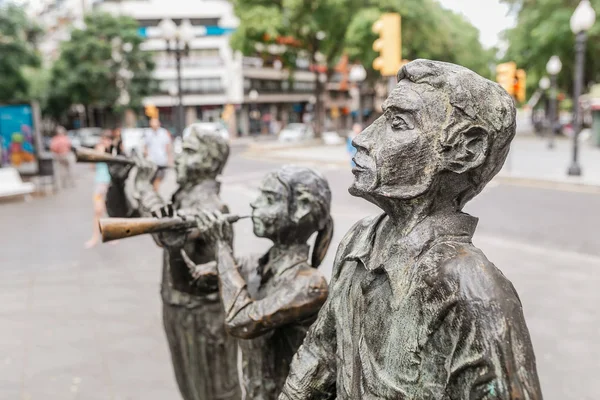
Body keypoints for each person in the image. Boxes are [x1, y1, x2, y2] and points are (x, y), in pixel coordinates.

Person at [279, 60, 543, 399]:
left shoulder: (475, 290)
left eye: (398, 123)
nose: (362, 139)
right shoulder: (360, 240)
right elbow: (320, 354)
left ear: (466, 150)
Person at [105, 126, 240, 400]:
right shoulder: (183, 196)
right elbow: (125, 218)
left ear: (211, 163)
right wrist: (119, 184)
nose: (177, 158)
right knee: (190, 390)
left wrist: (143, 186)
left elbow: (166, 231)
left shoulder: (211, 204)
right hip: (178, 308)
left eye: (188, 152)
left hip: (203, 317)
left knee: (213, 392)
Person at [194, 165, 333, 400]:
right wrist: (177, 239)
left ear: (300, 210)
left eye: (269, 198)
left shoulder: (310, 285)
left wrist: (221, 247)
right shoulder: (254, 264)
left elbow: (240, 321)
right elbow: (194, 278)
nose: (254, 204)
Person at [85, 130, 113, 249]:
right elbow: (92, 167)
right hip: (100, 184)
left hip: (111, 184)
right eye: (104, 139)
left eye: (108, 139)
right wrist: (97, 154)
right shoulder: (99, 150)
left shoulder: (114, 151)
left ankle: (112, 235)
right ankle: (95, 236)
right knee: (97, 211)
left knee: (110, 211)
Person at [144, 118, 172, 191]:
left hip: (161, 159)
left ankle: (155, 190)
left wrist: (169, 158)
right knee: (151, 178)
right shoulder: (148, 133)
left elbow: (167, 146)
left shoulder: (164, 132)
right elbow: (145, 146)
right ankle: (154, 190)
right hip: (151, 160)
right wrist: (146, 156)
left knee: (160, 177)